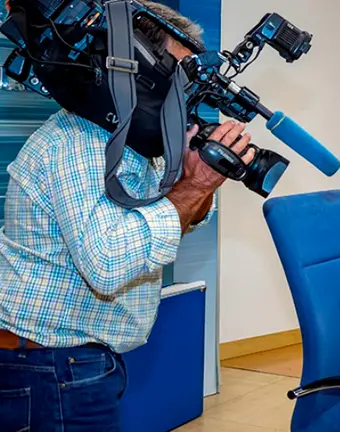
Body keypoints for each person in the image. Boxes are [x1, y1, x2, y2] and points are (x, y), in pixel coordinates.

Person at [0, 2, 254, 430]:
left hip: (75, 362)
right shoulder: (80, 141)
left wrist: (198, 183)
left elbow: (170, 222)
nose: (184, 91)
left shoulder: (130, 139)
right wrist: (193, 187)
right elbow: (109, 262)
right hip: (49, 367)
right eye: (178, 73)